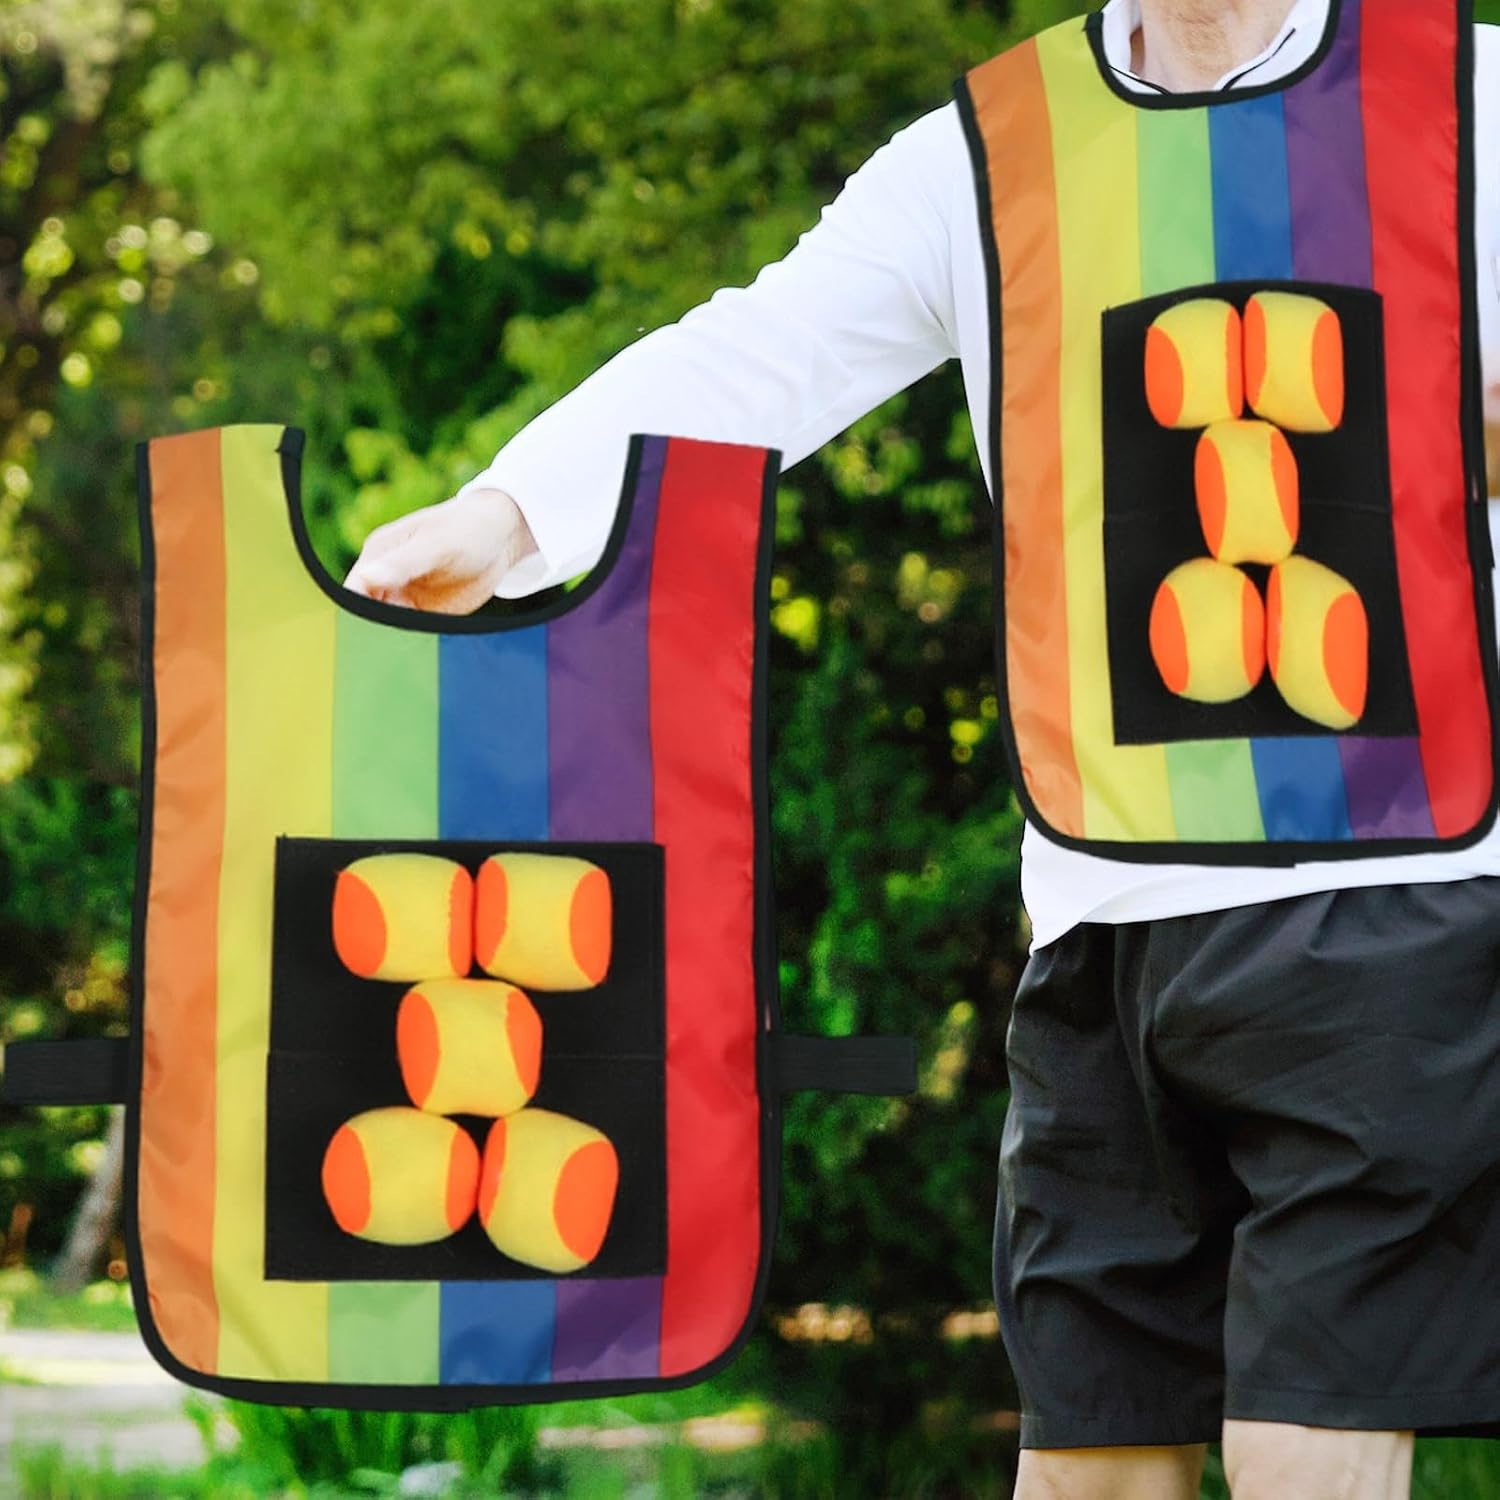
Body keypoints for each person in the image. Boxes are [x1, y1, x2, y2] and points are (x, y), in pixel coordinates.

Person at [343, 3, 1500, 1496]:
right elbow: (758, 354)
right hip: (1101, 915)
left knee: (1304, 1446)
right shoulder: (993, 145)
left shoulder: (1465, 98)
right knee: (1086, 1462)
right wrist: (506, 519)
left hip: (1393, 896)